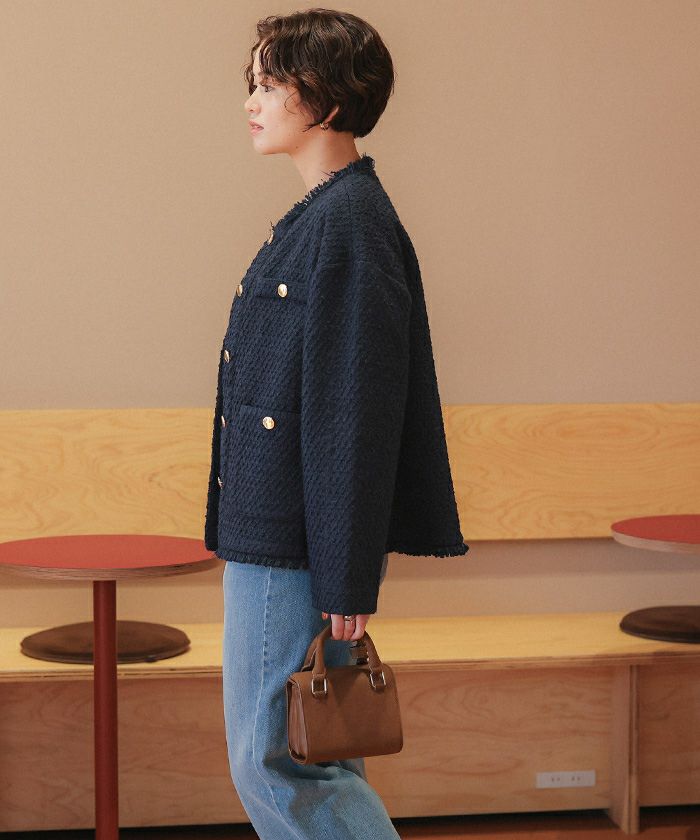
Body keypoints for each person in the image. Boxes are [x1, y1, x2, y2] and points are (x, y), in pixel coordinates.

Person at [206, 8, 468, 838]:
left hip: (293, 544)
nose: (252, 100)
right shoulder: (327, 216)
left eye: (270, 83)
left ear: (324, 98)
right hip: (282, 534)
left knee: (277, 763)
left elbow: (355, 415)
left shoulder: (349, 224)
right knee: (308, 755)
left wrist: (349, 577)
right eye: (252, 82)